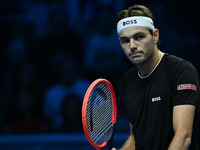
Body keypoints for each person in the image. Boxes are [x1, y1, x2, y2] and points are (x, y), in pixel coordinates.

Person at [112, 5, 200, 150]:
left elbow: (183, 137)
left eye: (139, 37)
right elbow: (136, 137)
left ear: (155, 36)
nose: (132, 46)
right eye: (125, 41)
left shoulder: (181, 70)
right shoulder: (127, 81)